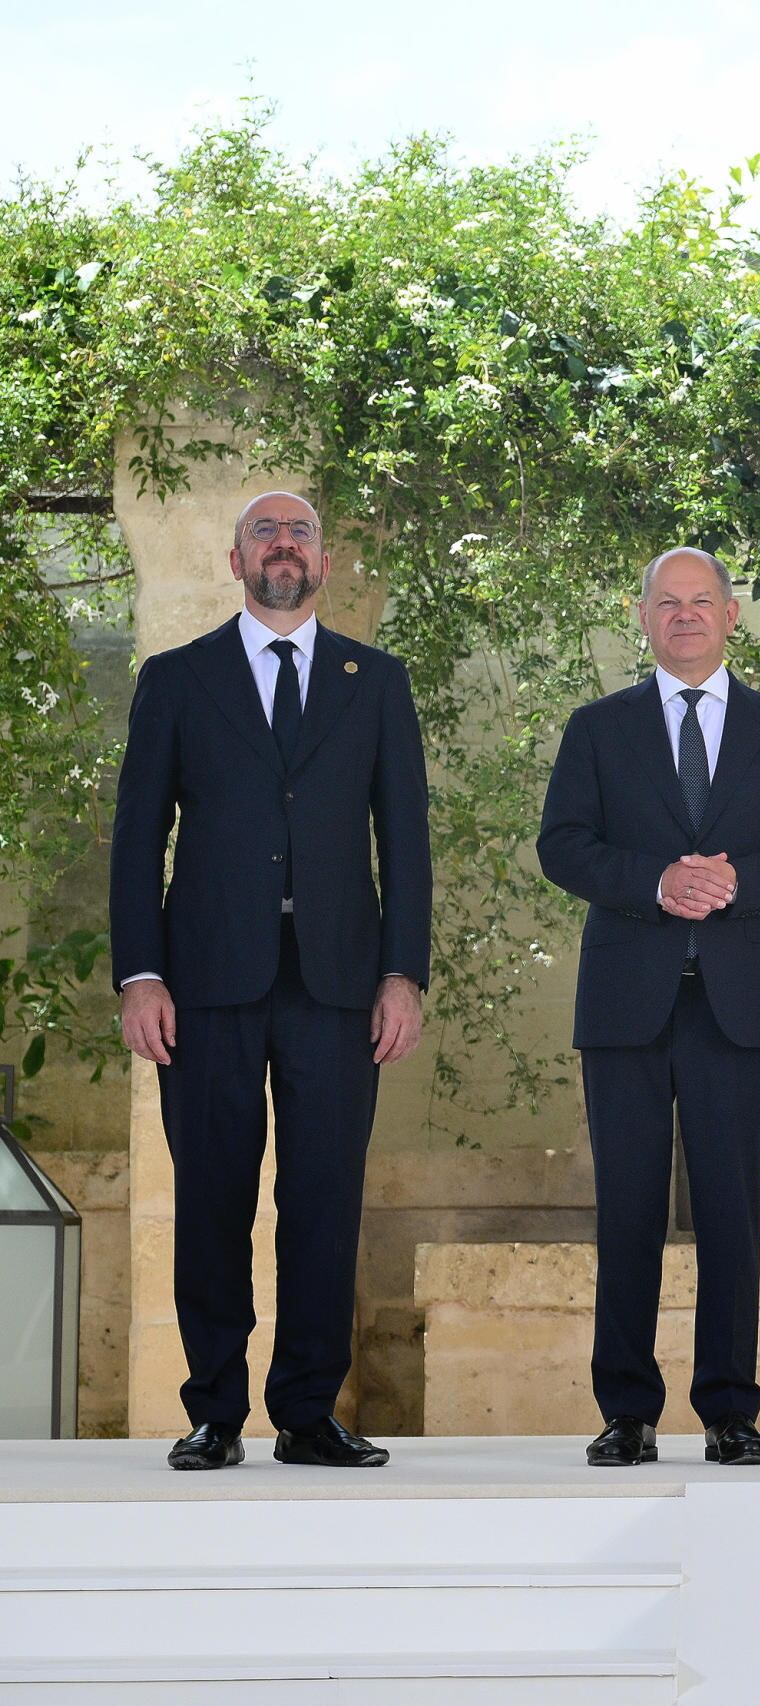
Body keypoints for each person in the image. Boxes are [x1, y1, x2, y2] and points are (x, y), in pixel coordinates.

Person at [111, 491, 430, 1471]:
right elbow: (137, 839)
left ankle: (305, 1411)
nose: (283, 546)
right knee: (211, 1193)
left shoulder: (374, 681)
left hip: (339, 984)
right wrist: (140, 971)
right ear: (234, 558)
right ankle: (214, 1409)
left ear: (323, 563)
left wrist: (402, 974)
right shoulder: (177, 679)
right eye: (265, 532)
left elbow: (405, 842)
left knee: (324, 1198)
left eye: (300, 534)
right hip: (204, 981)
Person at [536, 548, 760, 1469]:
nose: (685, 616)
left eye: (701, 601)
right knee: (626, 1210)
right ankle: (627, 1411)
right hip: (627, 1003)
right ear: (643, 619)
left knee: (731, 1215)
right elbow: (563, 846)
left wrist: (737, 880)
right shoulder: (598, 729)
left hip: (739, 1007)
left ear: (731, 615)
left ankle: (729, 1411)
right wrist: (657, 882)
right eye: (667, 604)